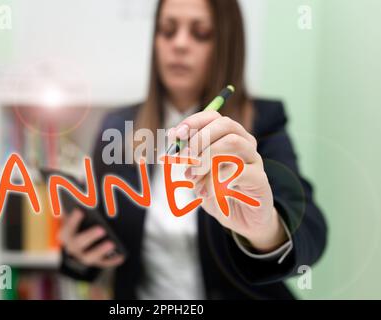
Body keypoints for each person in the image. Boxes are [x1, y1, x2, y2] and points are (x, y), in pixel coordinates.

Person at [59, 0, 327, 299]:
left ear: (226, 44)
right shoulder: (118, 126)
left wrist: (264, 228)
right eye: (167, 30)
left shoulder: (263, 122)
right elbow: (107, 247)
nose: (180, 44)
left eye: (201, 33)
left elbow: (312, 233)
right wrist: (77, 254)